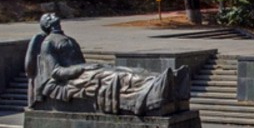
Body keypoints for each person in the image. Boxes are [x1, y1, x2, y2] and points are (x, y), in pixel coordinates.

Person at [28, 13, 190, 116]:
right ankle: (154, 93)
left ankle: (162, 82)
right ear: (48, 25)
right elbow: (56, 72)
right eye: (48, 17)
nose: (53, 15)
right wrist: (81, 68)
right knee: (117, 76)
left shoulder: (68, 39)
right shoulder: (47, 43)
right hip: (71, 79)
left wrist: (85, 67)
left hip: (85, 72)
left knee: (126, 70)